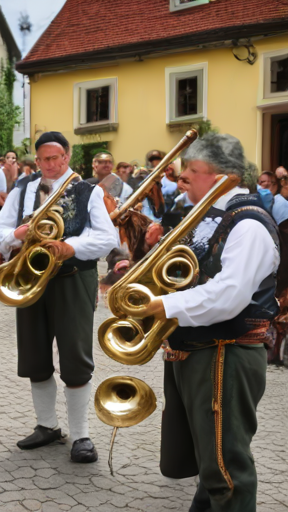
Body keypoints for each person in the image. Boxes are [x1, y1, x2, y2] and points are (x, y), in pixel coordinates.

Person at [137, 134, 279, 512]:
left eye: (191, 174)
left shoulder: (248, 224)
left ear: (222, 178)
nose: (181, 181)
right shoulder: (208, 217)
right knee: (209, 464)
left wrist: (159, 304)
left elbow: (228, 297)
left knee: (226, 470)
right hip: (198, 351)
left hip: (225, 355)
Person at [0, 131, 116, 463]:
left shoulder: (88, 191)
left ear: (66, 157)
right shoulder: (23, 188)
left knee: (75, 357)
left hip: (74, 277)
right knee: (34, 355)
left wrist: (70, 246)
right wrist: (18, 234)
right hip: (31, 278)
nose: (48, 164)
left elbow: (106, 238)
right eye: (43, 158)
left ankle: (82, 435)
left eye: (55, 158)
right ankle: (47, 425)